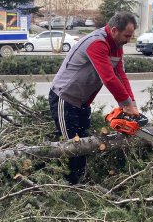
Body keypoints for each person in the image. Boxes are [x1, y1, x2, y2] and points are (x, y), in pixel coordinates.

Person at [48, 11, 140, 184]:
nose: (128, 40)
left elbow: (120, 75)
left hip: (82, 102)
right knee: (72, 146)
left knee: (84, 143)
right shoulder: (97, 43)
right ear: (114, 30)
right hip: (64, 98)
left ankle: (80, 181)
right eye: (127, 35)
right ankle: (68, 187)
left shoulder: (117, 48)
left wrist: (132, 105)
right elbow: (109, 78)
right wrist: (125, 104)